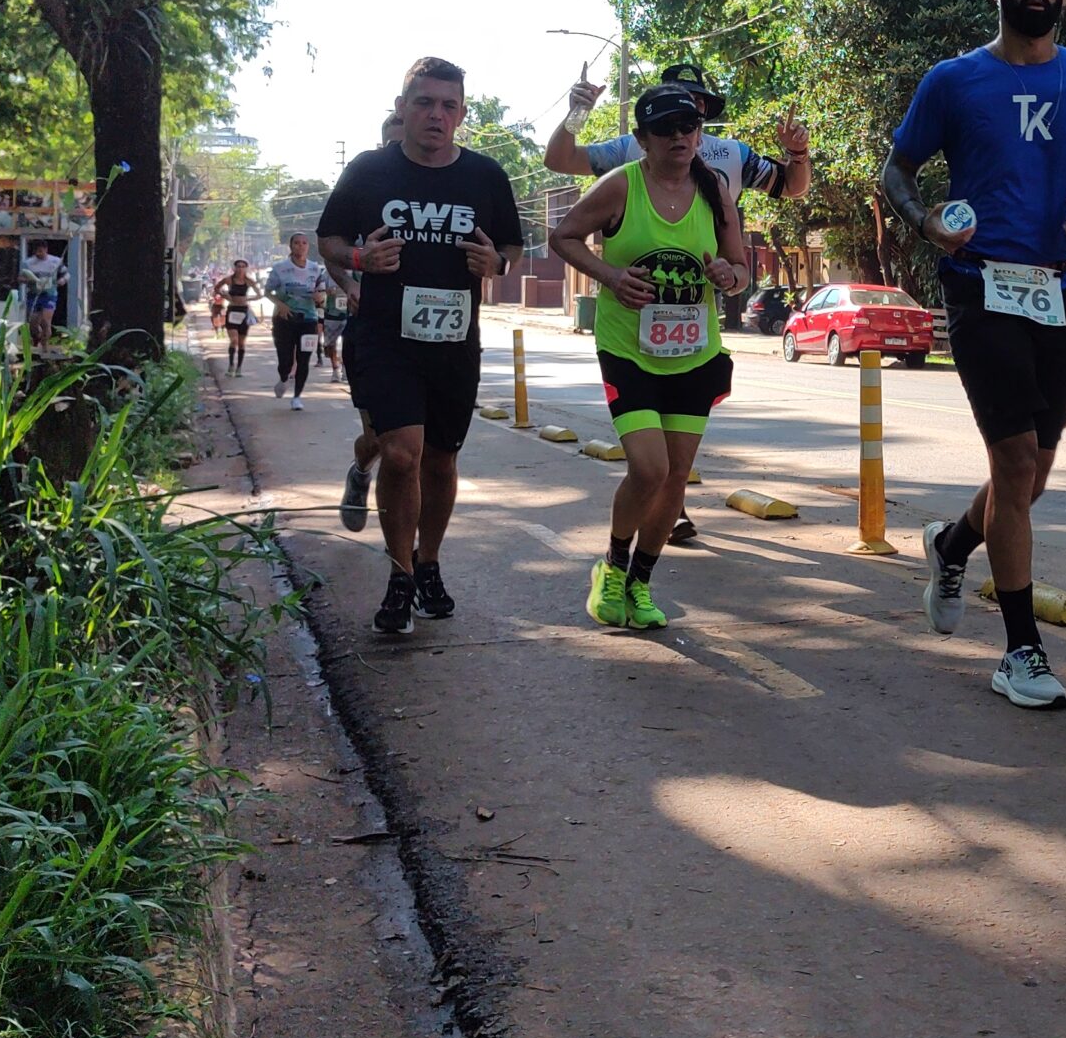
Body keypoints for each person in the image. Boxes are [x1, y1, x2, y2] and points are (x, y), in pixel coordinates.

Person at [881, 0, 1066, 711]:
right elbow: (897, 169)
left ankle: (953, 543)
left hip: (1064, 286)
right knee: (1016, 461)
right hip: (982, 282)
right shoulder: (953, 80)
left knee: (1030, 478)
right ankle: (1021, 651)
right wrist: (925, 222)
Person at [547, 60, 811, 544]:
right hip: (632, 331)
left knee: (673, 466)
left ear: (705, 111)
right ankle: (643, 529)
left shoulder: (731, 156)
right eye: (670, 110)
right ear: (647, 133)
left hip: (701, 308)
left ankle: (655, 536)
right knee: (654, 468)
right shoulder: (633, 151)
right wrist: (578, 114)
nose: (682, 125)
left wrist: (798, 154)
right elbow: (561, 162)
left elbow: (791, 188)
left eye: (693, 110)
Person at [318, 61, 524, 636]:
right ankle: (399, 574)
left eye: (448, 106)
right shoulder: (368, 171)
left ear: (461, 114)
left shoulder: (485, 176)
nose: (437, 115)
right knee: (402, 454)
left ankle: (428, 561)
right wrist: (360, 261)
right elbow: (328, 238)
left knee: (439, 460)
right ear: (404, 105)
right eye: (425, 102)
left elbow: (511, 244)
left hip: (454, 342)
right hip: (386, 338)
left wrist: (498, 264)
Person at [549, 81, 749, 630]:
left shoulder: (716, 194)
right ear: (642, 138)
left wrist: (728, 276)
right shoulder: (620, 187)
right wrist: (611, 277)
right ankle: (612, 566)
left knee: (676, 476)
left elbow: (741, 269)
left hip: (695, 353)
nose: (679, 137)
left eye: (688, 126)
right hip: (629, 352)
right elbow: (562, 237)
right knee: (649, 468)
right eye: (664, 129)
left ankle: (640, 582)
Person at [338, 110, 406, 532]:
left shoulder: (445, 180)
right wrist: (351, 283)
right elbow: (334, 245)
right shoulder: (365, 180)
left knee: (416, 449)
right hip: (372, 331)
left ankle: (406, 551)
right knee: (384, 440)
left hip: (429, 335)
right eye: (396, 144)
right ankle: (361, 471)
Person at [261, 231, 332, 409]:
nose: (300, 246)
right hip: (284, 320)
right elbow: (267, 291)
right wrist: (280, 304)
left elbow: (322, 292)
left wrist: (320, 297)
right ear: (291, 246)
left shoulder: (316, 269)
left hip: (308, 320)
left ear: (308, 246)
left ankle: (297, 397)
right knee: (285, 360)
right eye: (297, 243)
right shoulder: (280, 269)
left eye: (304, 243)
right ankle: (284, 377)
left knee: (304, 358)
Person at [20, 240, 67, 350]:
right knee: (33, 322)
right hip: (34, 294)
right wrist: (30, 281)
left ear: (46, 250)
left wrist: (62, 280)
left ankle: (45, 345)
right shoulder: (28, 263)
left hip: (49, 294)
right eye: (37, 251)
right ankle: (36, 338)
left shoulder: (55, 261)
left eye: (41, 251)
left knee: (46, 321)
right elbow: (21, 277)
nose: (39, 254)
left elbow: (66, 274)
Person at [215, 259, 256, 371]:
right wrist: (224, 295)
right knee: (234, 340)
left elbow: (260, 294)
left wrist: (248, 298)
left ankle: (239, 367)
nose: (240, 268)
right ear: (234, 267)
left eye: (243, 266)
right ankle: (231, 364)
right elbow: (216, 288)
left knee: (242, 343)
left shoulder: (249, 281)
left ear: (246, 268)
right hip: (232, 310)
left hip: (244, 311)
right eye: (238, 266)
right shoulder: (229, 280)